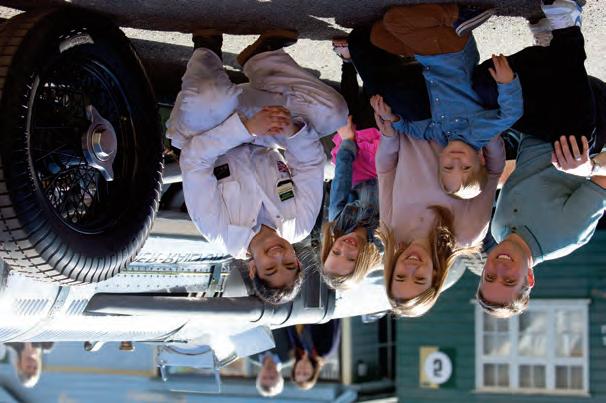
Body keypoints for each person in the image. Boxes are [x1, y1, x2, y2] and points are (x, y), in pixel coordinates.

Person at [166, 29, 348, 304]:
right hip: (265, 132)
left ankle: (207, 47)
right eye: (288, 263)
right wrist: (292, 130)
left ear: (252, 269)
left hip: (208, 133)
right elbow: (310, 164)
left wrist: (246, 129)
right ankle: (263, 57)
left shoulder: (219, 231)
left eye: (270, 268)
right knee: (333, 113)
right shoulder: (300, 225)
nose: (278, 255)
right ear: (298, 261)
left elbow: (194, 160)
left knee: (211, 97)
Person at [369, 3, 523, 199]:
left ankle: (426, 34)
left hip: (429, 60)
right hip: (453, 53)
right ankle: (459, 16)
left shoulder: (440, 136)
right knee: (394, 21)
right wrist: (507, 83)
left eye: (448, 167)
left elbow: (413, 130)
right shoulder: (479, 133)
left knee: (377, 35)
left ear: (440, 161)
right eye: (466, 167)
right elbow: (511, 114)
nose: (456, 160)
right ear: (480, 159)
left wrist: (392, 118)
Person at [477, 134, 606, 318]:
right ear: (529, 278)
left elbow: (522, 169)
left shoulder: (497, 230)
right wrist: (592, 167)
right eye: (509, 280)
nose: (500, 268)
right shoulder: (568, 235)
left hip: (530, 126)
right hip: (579, 131)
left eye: (490, 277)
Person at [473, 0, 604, 154]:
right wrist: (591, 166)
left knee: (484, 86)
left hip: (540, 112)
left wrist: (506, 86)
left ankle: (551, 53)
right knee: (576, 147)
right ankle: (566, 32)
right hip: (594, 116)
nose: (457, 162)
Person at [321, 115, 382, 289]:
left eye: (336, 252)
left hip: (363, 171)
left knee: (354, 126)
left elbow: (342, 177)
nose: (345, 248)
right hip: (393, 174)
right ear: (363, 262)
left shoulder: (338, 219)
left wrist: (347, 140)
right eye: (351, 258)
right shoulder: (383, 238)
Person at [288, 320, 341, 390]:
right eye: (306, 373)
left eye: (298, 373)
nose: (302, 369)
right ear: (314, 372)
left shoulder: (297, 347)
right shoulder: (326, 351)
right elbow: (333, 320)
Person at [251, 328, 293, 397]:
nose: (268, 373)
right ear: (280, 377)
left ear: (259, 376)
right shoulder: (290, 356)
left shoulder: (251, 355)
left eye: (264, 377)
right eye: (272, 377)